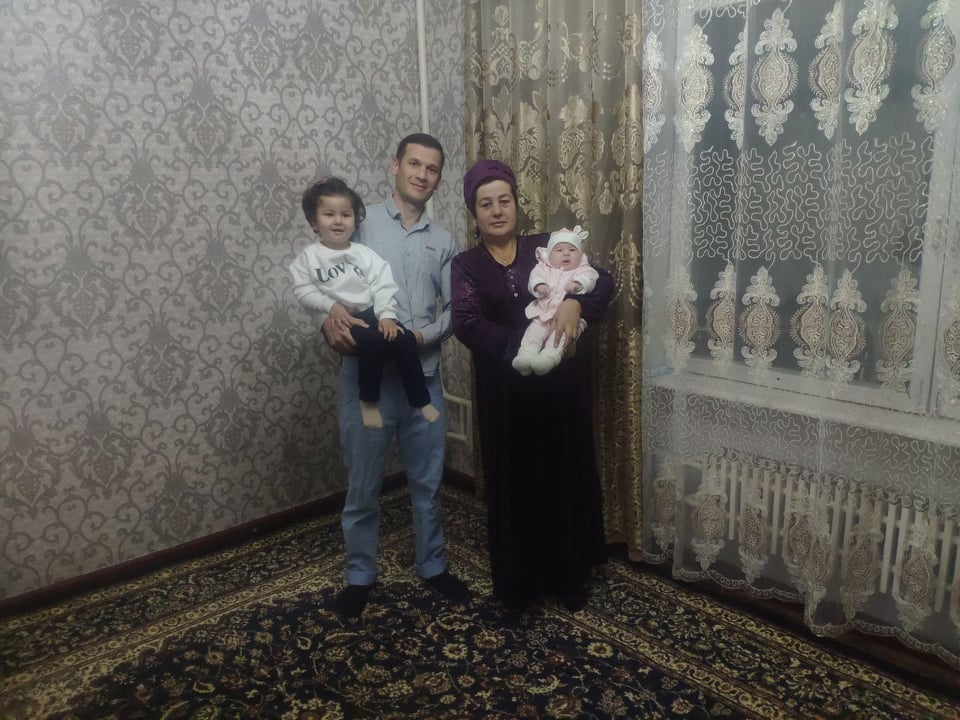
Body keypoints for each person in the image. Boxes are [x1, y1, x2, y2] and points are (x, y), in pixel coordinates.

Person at [314, 134, 468, 618]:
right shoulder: (358, 227)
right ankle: (360, 575)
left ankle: (433, 566)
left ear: (438, 178)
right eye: (414, 164)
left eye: (432, 168)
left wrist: (422, 336)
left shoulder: (444, 240)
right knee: (363, 488)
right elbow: (323, 280)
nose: (422, 174)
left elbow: (457, 311)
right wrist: (326, 321)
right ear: (394, 165)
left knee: (428, 484)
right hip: (368, 384)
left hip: (423, 377)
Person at [451, 159, 613, 612]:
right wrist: (521, 347)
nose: (497, 210)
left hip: (559, 388)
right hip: (504, 393)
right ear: (474, 212)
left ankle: (568, 576)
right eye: (486, 204)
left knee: (561, 476)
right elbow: (466, 322)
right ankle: (519, 586)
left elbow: (603, 281)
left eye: (504, 200)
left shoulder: (545, 247)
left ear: (516, 204)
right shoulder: (466, 265)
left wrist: (576, 305)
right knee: (515, 482)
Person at [290, 177, 440, 429]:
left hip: (372, 312)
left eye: (345, 215)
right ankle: (368, 401)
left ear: (355, 220)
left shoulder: (363, 253)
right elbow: (302, 290)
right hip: (345, 319)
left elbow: (383, 284)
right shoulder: (309, 258)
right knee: (372, 343)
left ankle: (420, 400)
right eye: (329, 214)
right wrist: (330, 307)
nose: (338, 221)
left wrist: (387, 315)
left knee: (404, 341)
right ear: (314, 222)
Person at [512, 224, 599, 376]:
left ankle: (549, 357)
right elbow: (535, 276)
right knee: (534, 331)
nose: (566, 254)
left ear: (580, 255)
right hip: (543, 313)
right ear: (549, 255)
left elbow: (591, 277)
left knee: (561, 337)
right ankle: (526, 355)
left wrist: (579, 284)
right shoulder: (544, 267)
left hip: (568, 320)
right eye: (559, 250)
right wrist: (538, 285)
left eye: (572, 250)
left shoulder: (583, 269)